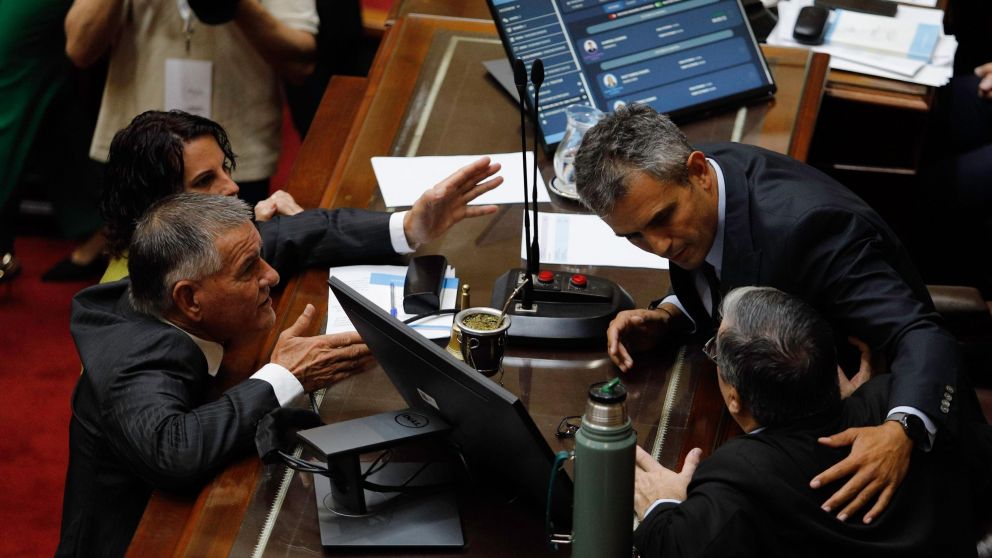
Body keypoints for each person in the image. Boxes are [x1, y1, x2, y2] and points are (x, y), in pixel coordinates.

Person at [574, 104, 968, 525]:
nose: (659, 246)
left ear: (699, 172)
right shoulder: (683, 184)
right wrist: (672, 314)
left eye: (662, 219)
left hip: (879, 449)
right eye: (634, 235)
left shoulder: (811, 228)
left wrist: (901, 430)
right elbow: (725, 270)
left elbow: (922, 332)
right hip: (779, 413)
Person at [56, 193, 382, 557]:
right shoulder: (134, 360)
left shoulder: (196, 270)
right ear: (190, 300)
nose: (270, 274)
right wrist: (285, 375)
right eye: (250, 269)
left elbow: (295, 233)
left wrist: (409, 226)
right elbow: (176, 451)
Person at [632, 286, 981, 557]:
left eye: (716, 354)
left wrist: (667, 503)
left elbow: (678, 549)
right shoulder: (901, 402)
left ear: (735, 398)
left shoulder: (739, 475)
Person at [98, 110, 503, 283]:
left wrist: (412, 226)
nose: (232, 187)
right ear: (157, 203)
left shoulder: (194, 239)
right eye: (205, 181)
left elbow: (306, 233)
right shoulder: (139, 290)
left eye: (226, 169)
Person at [65, 0, 319, 205]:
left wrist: (237, 5)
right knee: (135, 263)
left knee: (230, 262)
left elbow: (301, 61)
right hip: (138, 148)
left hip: (232, 154)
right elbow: (80, 48)